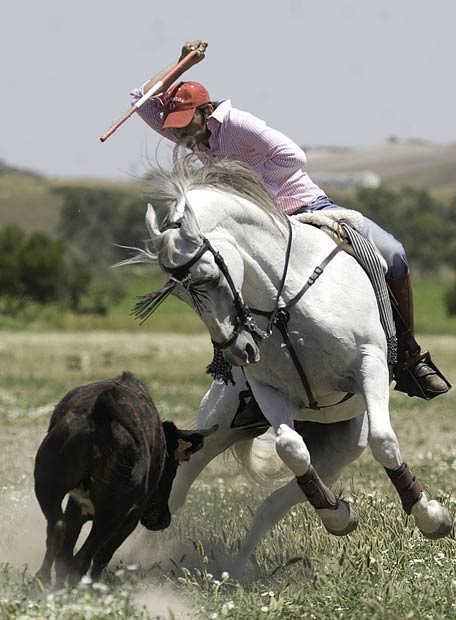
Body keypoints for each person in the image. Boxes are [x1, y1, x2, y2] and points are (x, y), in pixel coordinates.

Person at [130, 41, 449, 398]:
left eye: (183, 124)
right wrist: (180, 65)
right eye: (173, 127)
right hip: (258, 226)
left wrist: (251, 190)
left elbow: (292, 156)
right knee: (217, 278)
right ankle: (243, 378)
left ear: (206, 111)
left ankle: (407, 357)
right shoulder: (189, 132)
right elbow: (140, 101)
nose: (178, 135)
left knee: (393, 253)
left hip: (305, 208)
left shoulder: (237, 123)